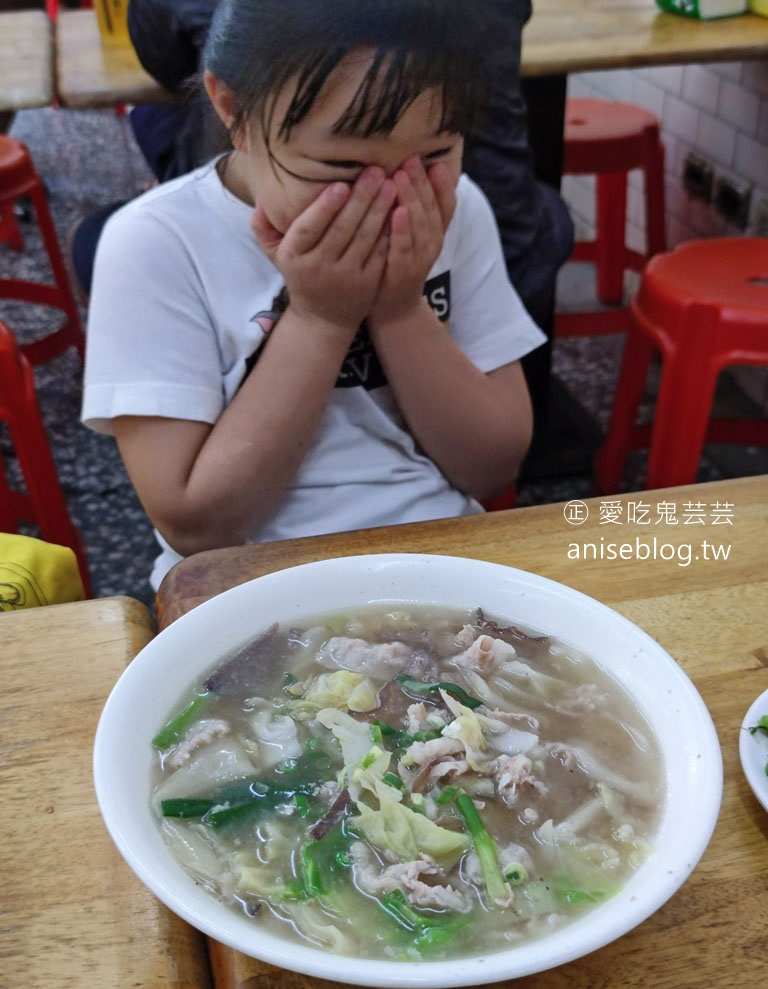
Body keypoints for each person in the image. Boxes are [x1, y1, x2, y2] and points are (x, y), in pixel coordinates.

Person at [81, 0, 546, 591]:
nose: (392, 199)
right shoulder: (156, 244)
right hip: (245, 580)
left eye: (435, 154)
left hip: (437, 555)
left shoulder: (456, 211)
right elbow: (196, 525)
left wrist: (401, 308)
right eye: (343, 166)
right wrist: (320, 317)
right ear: (234, 109)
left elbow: (493, 465)